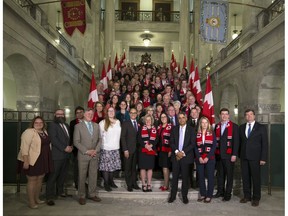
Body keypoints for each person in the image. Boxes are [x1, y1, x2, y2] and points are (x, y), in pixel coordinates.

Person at [17, 116, 53, 209]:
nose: (38, 124)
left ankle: (37, 198)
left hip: (43, 159)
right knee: (32, 180)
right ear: (33, 123)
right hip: (32, 159)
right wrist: (26, 160)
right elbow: (24, 147)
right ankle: (31, 202)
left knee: (40, 178)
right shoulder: (28, 132)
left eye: (40, 122)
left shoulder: (44, 131)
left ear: (43, 123)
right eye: (36, 123)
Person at [239, 109, 268, 207]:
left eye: (251, 114)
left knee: (255, 178)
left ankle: (256, 198)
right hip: (244, 157)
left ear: (254, 116)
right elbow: (240, 143)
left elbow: (264, 144)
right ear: (245, 117)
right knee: (245, 178)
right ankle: (247, 196)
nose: (249, 116)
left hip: (256, 157)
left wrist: (263, 158)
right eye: (247, 115)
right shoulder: (241, 127)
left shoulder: (261, 127)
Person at [73, 108, 102, 205]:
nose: (90, 115)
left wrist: (95, 151)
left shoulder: (97, 126)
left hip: (94, 154)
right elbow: (76, 142)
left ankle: (92, 194)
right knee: (82, 176)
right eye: (88, 113)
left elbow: (100, 140)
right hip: (83, 155)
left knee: (93, 175)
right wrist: (86, 151)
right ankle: (81, 195)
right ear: (84, 114)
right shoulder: (78, 126)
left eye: (91, 114)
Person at [46, 109, 72, 206]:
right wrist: (64, 148)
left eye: (62, 114)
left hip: (66, 155)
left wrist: (70, 147)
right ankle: (49, 197)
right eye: (58, 114)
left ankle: (60, 192)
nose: (60, 116)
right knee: (53, 176)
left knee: (62, 175)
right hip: (57, 155)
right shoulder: (52, 125)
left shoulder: (66, 125)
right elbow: (53, 139)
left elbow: (69, 139)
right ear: (55, 115)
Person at [168, 112, 196, 204]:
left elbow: (192, 144)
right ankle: (172, 196)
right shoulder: (174, 129)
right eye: (179, 118)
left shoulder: (191, 130)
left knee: (185, 178)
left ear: (186, 118)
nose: (181, 119)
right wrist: (177, 152)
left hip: (186, 157)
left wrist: (182, 153)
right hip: (176, 157)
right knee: (174, 177)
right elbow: (171, 142)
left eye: (183, 117)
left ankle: (184, 196)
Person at [213, 108, 239, 201]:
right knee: (220, 175)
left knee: (229, 175)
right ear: (220, 115)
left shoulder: (234, 126)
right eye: (222, 114)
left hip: (229, 155)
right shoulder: (217, 126)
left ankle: (227, 194)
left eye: (226, 114)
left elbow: (236, 142)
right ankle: (220, 191)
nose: (224, 116)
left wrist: (234, 154)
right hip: (219, 155)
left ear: (228, 115)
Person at [99, 107, 122, 191]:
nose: (111, 112)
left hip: (115, 147)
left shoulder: (118, 122)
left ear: (114, 112)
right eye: (109, 111)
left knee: (113, 166)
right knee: (106, 167)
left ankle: (111, 181)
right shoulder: (102, 122)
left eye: (113, 111)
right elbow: (100, 136)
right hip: (106, 148)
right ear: (107, 112)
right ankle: (106, 183)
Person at [195, 117, 217, 203]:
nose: (204, 124)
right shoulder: (197, 134)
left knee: (210, 177)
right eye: (202, 123)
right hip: (199, 158)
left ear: (208, 124)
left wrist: (207, 157)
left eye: (206, 123)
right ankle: (203, 194)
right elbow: (195, 147)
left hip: (210, 158)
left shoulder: (212, 133)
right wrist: (199, 157)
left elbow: (214, 146)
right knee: (201, 176)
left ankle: (209, 195)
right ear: (200, 124)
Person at [120, 107, 141, 192]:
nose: (133, 114)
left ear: (137, 114)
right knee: (128, 168)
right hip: (128, 150)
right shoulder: (126, 123)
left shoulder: (139, 123)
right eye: (131, 113)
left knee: (134, 168)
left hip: (137, 150)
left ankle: (134, 184)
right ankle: (129, 185)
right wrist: (125, 149)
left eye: (134, 113)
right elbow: (123, 137)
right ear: (129, 114)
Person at [138, 114, 158, 192]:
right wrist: (145, 145)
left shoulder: (154, 128)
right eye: (147, 120)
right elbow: (139, 139)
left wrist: (151, 145)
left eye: (149, 120)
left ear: (152, 120)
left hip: (151, 150)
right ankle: (143, 184)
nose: (148, 121)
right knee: (143, 167)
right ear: (145, 121)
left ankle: (149, 184)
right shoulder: (141, 128)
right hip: (143, 150)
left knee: (150, 168)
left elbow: (157, 139)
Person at [69, 106, 85, 190]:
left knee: (85, 167)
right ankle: (77, 183)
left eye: (81, 112)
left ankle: (83, 182)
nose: (79, 114)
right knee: (77, 167)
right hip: (77, 149)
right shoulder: (73, 123)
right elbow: (71, 136)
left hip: (86, 148)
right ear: (75, 114)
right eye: (77, 112)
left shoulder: (87, 121)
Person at [157, 113, 172, 191]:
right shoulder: (159, 127)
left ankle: (166, 185)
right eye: (161, 117)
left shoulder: (170, 127)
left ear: (167, 117)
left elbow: (172, 139)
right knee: (164, 167)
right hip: (161, 150)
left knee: (165, 167)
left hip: (167, 150)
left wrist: (170, 149)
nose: (163, 118)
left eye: (164, 117)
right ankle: (165, 184)